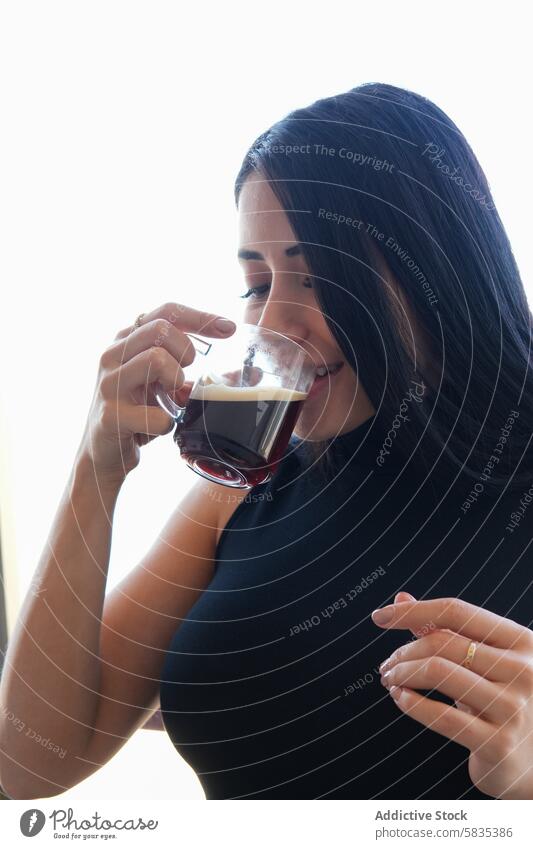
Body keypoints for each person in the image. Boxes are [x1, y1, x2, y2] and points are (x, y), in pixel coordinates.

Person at [1, 82, 533, 801]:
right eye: (256, 282)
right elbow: (26, 763)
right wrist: (96, 467)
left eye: (316, 277)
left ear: (431, 268)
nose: (275, 321)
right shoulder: (239, 488)